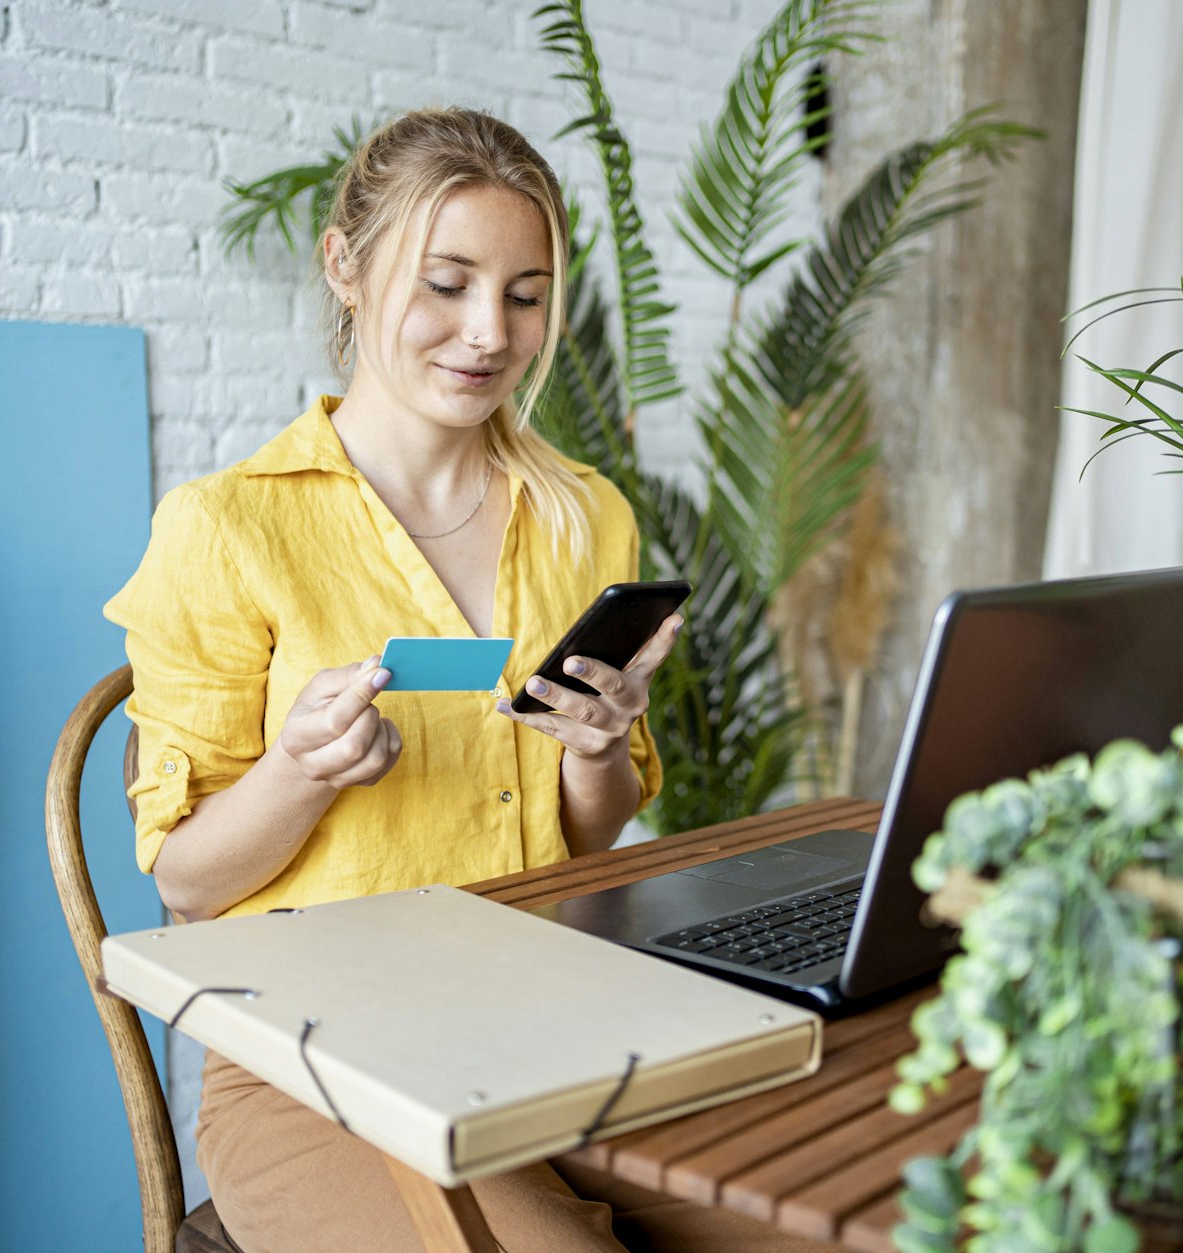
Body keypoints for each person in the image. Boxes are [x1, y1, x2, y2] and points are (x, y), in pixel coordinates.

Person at [106, 108, 832, 1253]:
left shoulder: (583, 512)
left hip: (561, 1024)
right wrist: (300, 770)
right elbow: (190, 887)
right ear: (345, 266)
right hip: (314, 1064)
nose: (488, 333)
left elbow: (589, 845)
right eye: (446, 283)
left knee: (841, 1211)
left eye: (525, 293)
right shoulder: (226, 526)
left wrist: (595, 747)